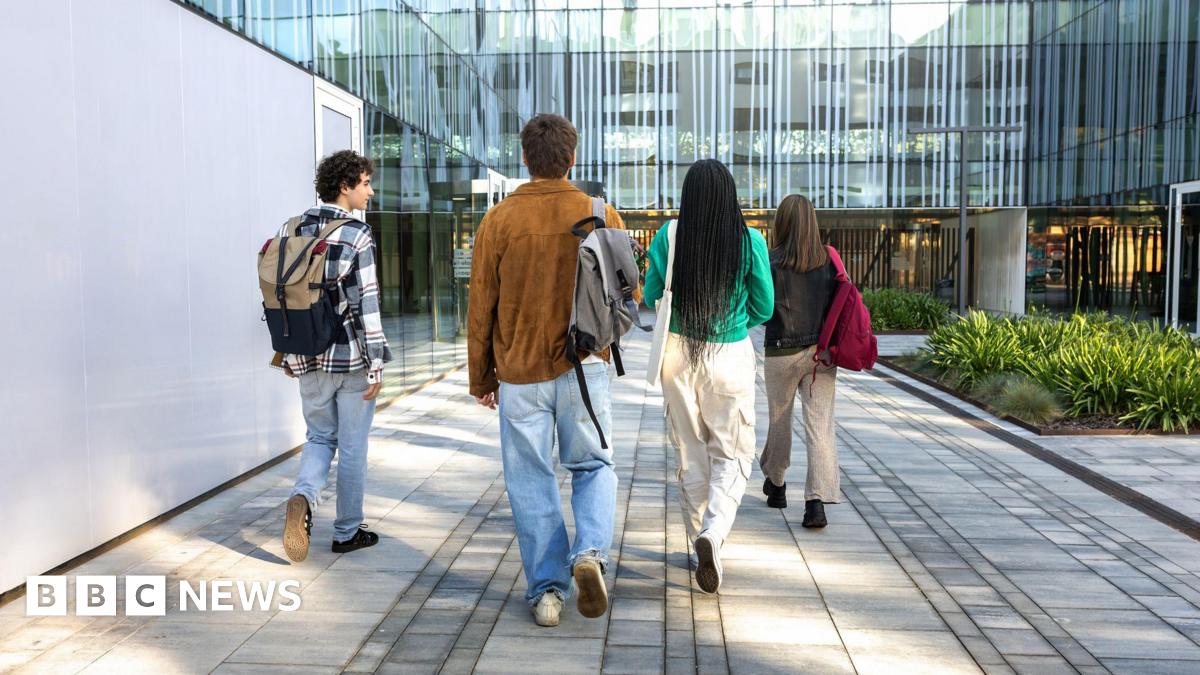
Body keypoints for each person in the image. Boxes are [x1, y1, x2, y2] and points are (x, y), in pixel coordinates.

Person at [467, 114, 629, 627]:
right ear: (572, 158)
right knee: (594, 465)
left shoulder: (499, 220)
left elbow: (480, 307)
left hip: (519, 373)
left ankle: (548, 594)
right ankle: (590, 553)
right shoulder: (601, 213)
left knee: (530, 480)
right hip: (586, 366)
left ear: (525, 159)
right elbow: (630, 294)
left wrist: (481, 378)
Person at [643, 159, 774, 594]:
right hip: (729, 354)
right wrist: (734, 324)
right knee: (732, 452)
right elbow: (764, 306)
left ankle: (696, 538)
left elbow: (649, 294)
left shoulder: (669, 235)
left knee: (690, 452)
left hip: (677, 353)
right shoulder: (750, 239)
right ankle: (712, 535)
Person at [279, 150, 393, 563]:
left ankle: (303, 497)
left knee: (319, 437)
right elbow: (367, 305)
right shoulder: (357, 235)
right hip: (350, 361)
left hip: (306, 355)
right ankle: (347, 531)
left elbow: (283, 296)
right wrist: (376, 363)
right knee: (352, 445)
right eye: (365, 183)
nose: (371, 190)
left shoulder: (290, 228)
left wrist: (288, 355)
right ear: (345, 187)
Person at [760, 194, 840, 528]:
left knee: (779, 420)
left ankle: (777, 486)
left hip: (780, 351)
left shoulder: (769, 258)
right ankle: (815, 504)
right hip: (820, 355)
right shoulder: (829, 259)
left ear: (782, 222)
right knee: (819, 425)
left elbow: (763, 309)